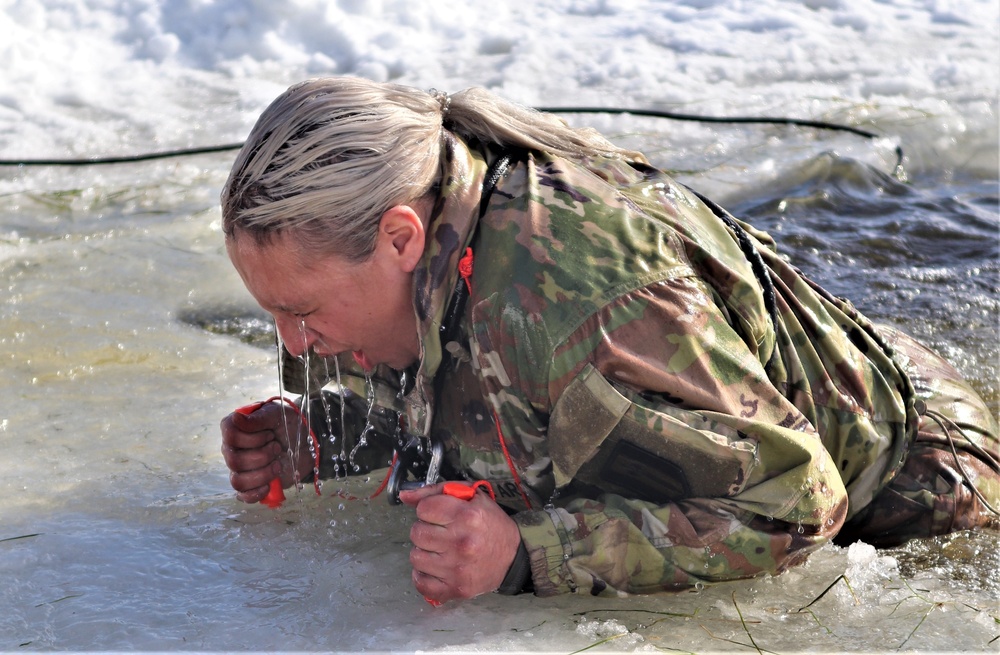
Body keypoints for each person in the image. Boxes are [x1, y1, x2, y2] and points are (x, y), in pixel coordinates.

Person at [219, 77, 999, 604]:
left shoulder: (585, 304)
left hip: (909, 482)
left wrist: (526, 553)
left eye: (301, 310)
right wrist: (330, 438)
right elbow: (490, 393)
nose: (294, 341)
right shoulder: (428, 241)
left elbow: (796, 503)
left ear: (399, 238)